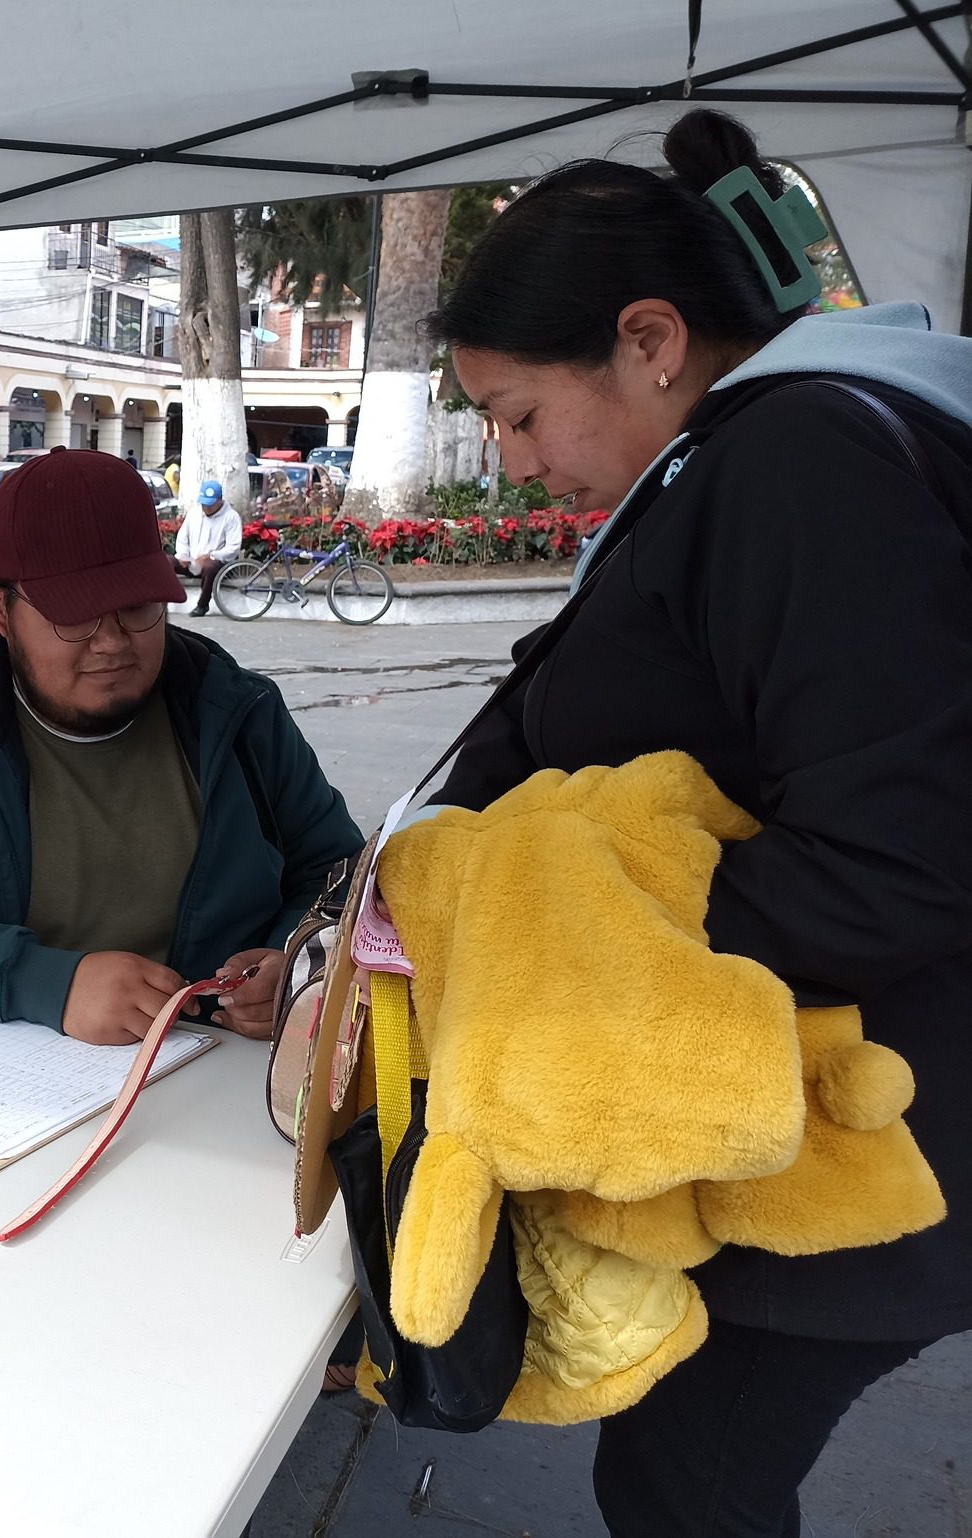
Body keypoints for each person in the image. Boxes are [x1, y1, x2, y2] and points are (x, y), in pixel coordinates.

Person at [425, 108, 972, 1537]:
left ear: (652, 340)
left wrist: (568, 939)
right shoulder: (734, 463)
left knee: (691, 1481)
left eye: (521, 412)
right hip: (789, 1115)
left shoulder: (803, 466)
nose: (518, 461)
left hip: (865, 1140)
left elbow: (894, 857)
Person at [0, 446, 361, 1043]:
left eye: (137, 607)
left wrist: (296, 960)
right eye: (75, 616)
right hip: (10, 1077)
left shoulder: (240, 716)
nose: (113, 643)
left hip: (220, 1067)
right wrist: (47, 982)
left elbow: (342, 879)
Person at [172, 478, 240, 616]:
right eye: (204, 504)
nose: (206, 508)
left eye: (210, 505)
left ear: (219, 500)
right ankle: (164, 600)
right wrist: (182, 555)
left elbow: (233, 547)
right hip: (191, 561)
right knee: (165, 562)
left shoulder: (231, 517)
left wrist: (212, 555)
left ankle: (202, 605)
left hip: (214, 564)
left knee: (210, 567)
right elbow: (182, 537)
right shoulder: (194, 513)